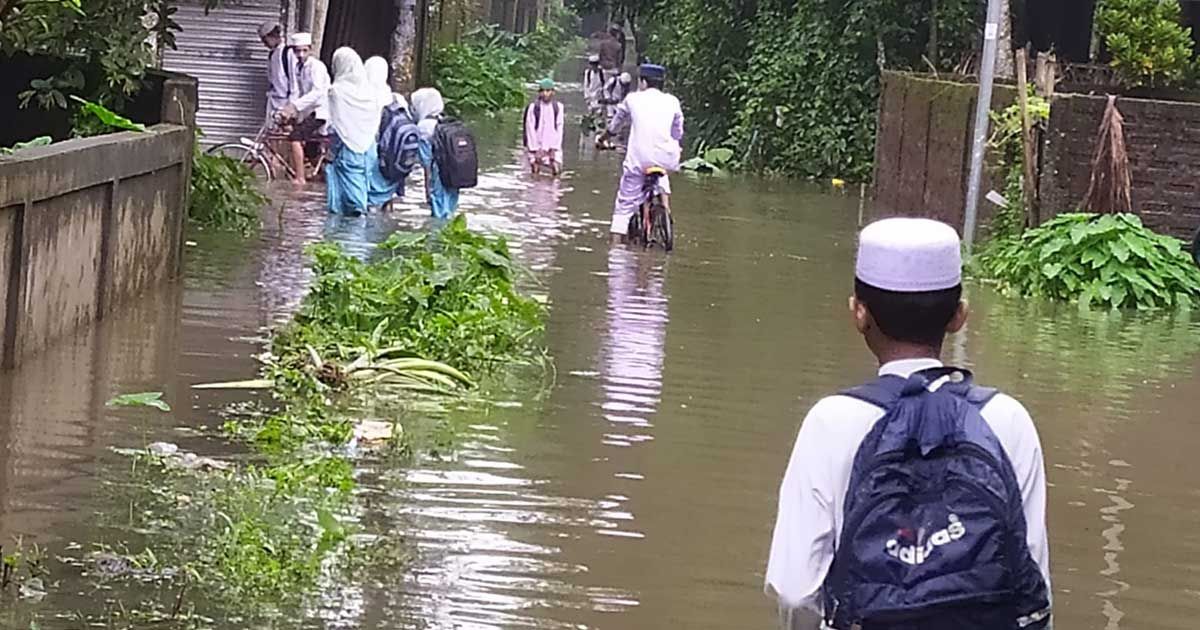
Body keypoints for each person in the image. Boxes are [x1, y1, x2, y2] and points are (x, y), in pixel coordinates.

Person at [765, 217, 1052, 630]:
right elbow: (1032, 583)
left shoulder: (830, 422)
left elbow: (796, 590)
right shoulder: (1008, 419)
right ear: (959, 316)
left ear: (858, 313)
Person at [601, 64, 683, 243]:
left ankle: (616, 251)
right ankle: (665, 212)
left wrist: (603, 138)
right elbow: (678, 133)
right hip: (668, 159)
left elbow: (615, 125)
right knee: (663, 171)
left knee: (623, 207)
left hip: (639, 160)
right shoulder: (673, 101)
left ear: (643, 82)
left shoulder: (633, 99)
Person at [325, 48, 392, 217]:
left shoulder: (337, 91)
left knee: (351, 205)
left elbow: (334, 122)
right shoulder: (372, 94)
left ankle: (351, 238)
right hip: (368, 148)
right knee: (361, 191)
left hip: (346, 149)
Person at [280, 32, 330, 185]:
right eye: (297, 51)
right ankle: (315, 173)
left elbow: (317, 92)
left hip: (320, 111)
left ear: (310, 49)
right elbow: (295, 90)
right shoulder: (297, 67)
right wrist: (288, 109)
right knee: (309, 148)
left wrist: (295, 106)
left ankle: (300, 178)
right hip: (307, 111)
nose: (300, 54)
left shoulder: (317, 67)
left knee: (295, 137)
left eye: (304, 50)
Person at [411, 87, 460, 219]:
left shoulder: (423, 128)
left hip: (437, 175)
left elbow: (426, 162)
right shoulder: (446, 122)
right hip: (453, 174)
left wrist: (427, 189)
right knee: (449, 212)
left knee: (438, 213)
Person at [363, 56, 400, 206]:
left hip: (369, 146)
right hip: (390, 150)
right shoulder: (394, 97)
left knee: (368, 185)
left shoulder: (362, 97)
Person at [524, 78, 565, 177]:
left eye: (548, 91)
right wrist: (535, 149)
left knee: (556, 171)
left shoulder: (558, 107)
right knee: (535, 171)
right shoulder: (533, 108)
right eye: (542, 91)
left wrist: (554, 148)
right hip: (536, 147)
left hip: (553, 147)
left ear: (553, 92)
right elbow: (530, 129)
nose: (545, 94)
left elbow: (559, 128)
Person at [258, 21, 296, 126]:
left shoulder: (288, 53)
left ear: (272, 36)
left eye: (265, 40)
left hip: (285, 103)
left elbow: (294, 81)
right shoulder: (272, 55)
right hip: (274, 102)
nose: (265, 44)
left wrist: (291, 106)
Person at [583, 54, 605, 125]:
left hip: (599, 97)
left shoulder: (602, 73)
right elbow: (586, 86)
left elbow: (605, 85)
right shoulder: (588, 73)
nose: (593, 66)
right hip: (591, 97)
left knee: (599, 116)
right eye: (592, 65)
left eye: (595, 64)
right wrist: (587, 98)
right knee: (591, 114)